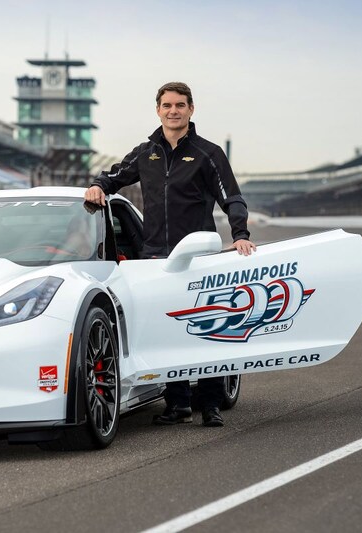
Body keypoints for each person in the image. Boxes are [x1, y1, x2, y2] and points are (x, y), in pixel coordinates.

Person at [84, 81, 256, 428]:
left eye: (180, 105)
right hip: (156, 260)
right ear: (158, 110)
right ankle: (177, 403)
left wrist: (240, 235)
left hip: (198, 256)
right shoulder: (146, 152)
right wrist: (98, 185)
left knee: (206, 329)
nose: (173, 111)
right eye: (167, 105)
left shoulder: (208, 153)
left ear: (191, 110)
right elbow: (116, 176)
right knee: (168, 330)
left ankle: (209, 404)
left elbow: (231, 197)